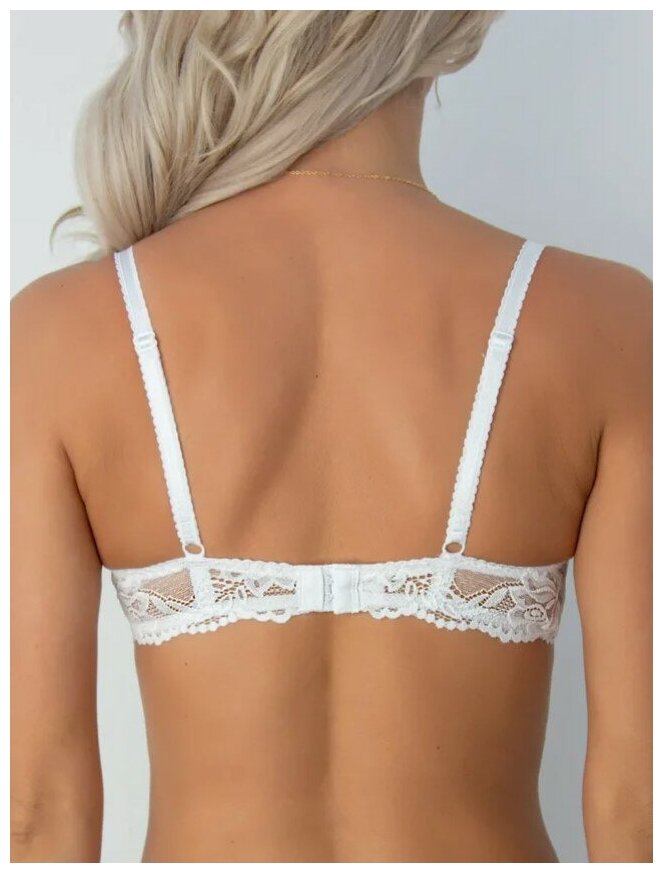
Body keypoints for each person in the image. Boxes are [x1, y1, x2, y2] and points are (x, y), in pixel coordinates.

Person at [10, 11, 651, 863]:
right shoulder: (606, 320)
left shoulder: (60, 333)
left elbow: (39, 809)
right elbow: (637, 804)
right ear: (440, 29)